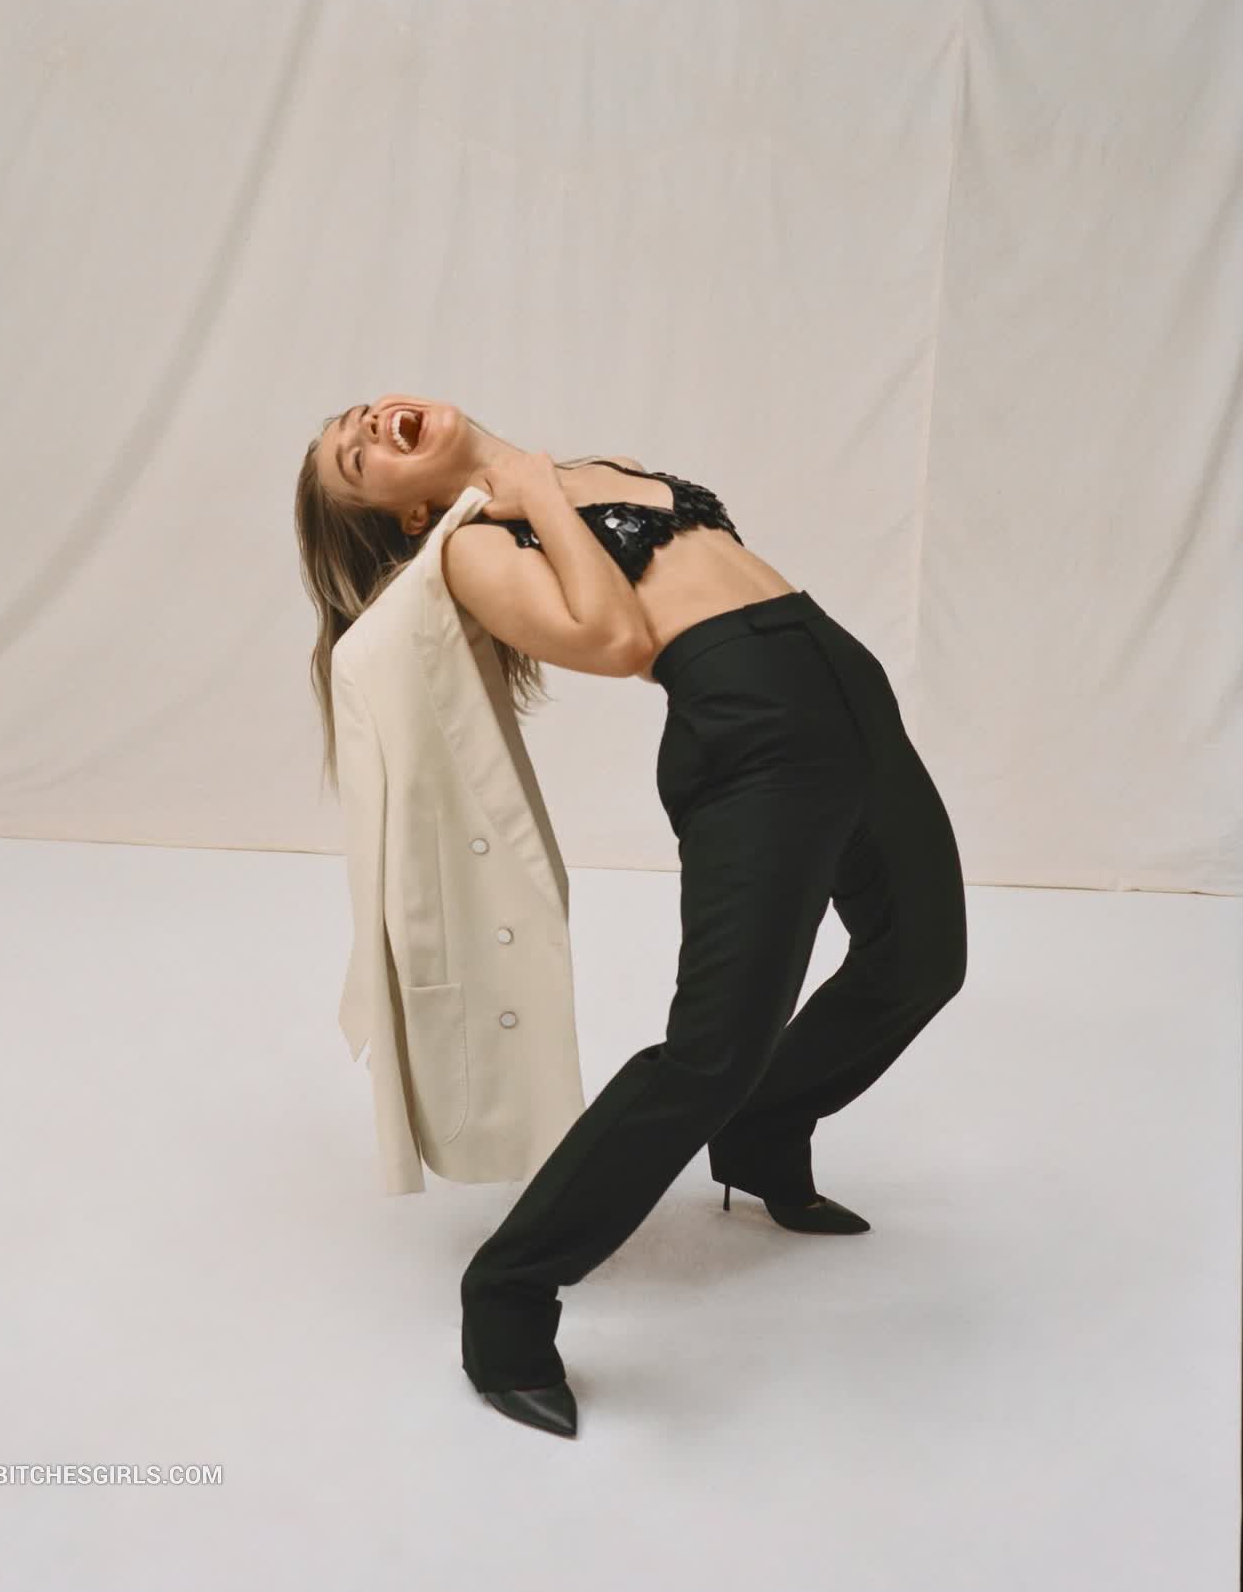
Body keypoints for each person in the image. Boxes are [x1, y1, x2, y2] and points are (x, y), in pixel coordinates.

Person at [298, 395, 968, 1439]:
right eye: (353, 457)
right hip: (751, 732)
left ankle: (764, 1130)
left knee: (920, 957)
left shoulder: (583, 468)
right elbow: (612, 639)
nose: (371, 426)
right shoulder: (473, 544)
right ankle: (508, 1294)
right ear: (402, 514)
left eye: (359, 416)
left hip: (846, 693)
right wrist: (528, 493)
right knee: (712, 1050)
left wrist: (543, 481)